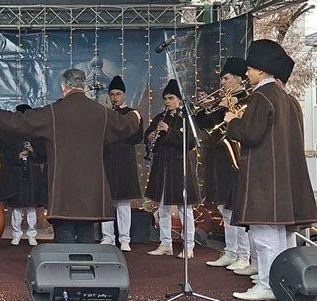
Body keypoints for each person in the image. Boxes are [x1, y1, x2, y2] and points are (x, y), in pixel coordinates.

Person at [0, 68, 141, 244]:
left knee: (64, 237)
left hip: (63, 189)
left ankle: (65, 261)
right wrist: (134, 116)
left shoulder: (54, 112)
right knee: (86, 236)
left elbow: (21, 121)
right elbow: (125, 125)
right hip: (91, 190)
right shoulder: (102, 112)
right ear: (84, 86)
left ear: (63, 87)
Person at [224, 39, 317, 301]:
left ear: (262, 70)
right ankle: (281, 280)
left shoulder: (261, 95)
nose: (247, 74)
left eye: (250, 69)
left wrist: (233, 121)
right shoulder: (288, 99)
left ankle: (267, 284)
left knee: (265, 234)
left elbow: (251, 134)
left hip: (263, 176)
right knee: (281, 234)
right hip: (283, 177)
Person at [195, 58, 252, 272]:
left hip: (235, 159)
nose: (223, 82)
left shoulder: (247, 99)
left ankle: (244, 255)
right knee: (224, 208)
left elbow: (241, 126)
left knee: (235, 208)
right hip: (219, 157)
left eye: (226, 78)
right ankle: (231, 251)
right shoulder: (223, 100)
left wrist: (229, 108)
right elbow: (204, 124)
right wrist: (207, 108)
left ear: (239, 78)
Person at [144, 79, 202, 259]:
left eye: (171, 98)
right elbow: (148, 135)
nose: (167, 101)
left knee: (185, 209)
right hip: (163, 168)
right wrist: (150, 136)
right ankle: (165, 243)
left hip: (180, 168)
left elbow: (191, 142)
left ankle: (189, 246)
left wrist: (169, 130)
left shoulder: (187, 117)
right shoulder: (160, 117)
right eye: (165, 98)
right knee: (162, 208)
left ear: (179, 99)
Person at [100, 76, 144, 252]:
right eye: (112, 94)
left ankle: (125, 239)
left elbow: (138, 137)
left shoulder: (133, 114)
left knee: (123, 202)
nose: (115, 97)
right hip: (107, 160)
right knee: (107, 201)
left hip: (125, 161)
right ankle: (108, 237)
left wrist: (119, 132)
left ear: (124, 95)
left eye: (118, 94)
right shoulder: (106, 114)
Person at [0, 104, 47, 246]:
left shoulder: (36, 134)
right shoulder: (9, 134)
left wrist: (33, 150)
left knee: (31, 206)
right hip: (17, 174)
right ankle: (16, 234)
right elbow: (4, 155)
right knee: (17, 207)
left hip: (32, 173)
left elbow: (43, 156)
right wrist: (17, 156)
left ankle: (32, 234)